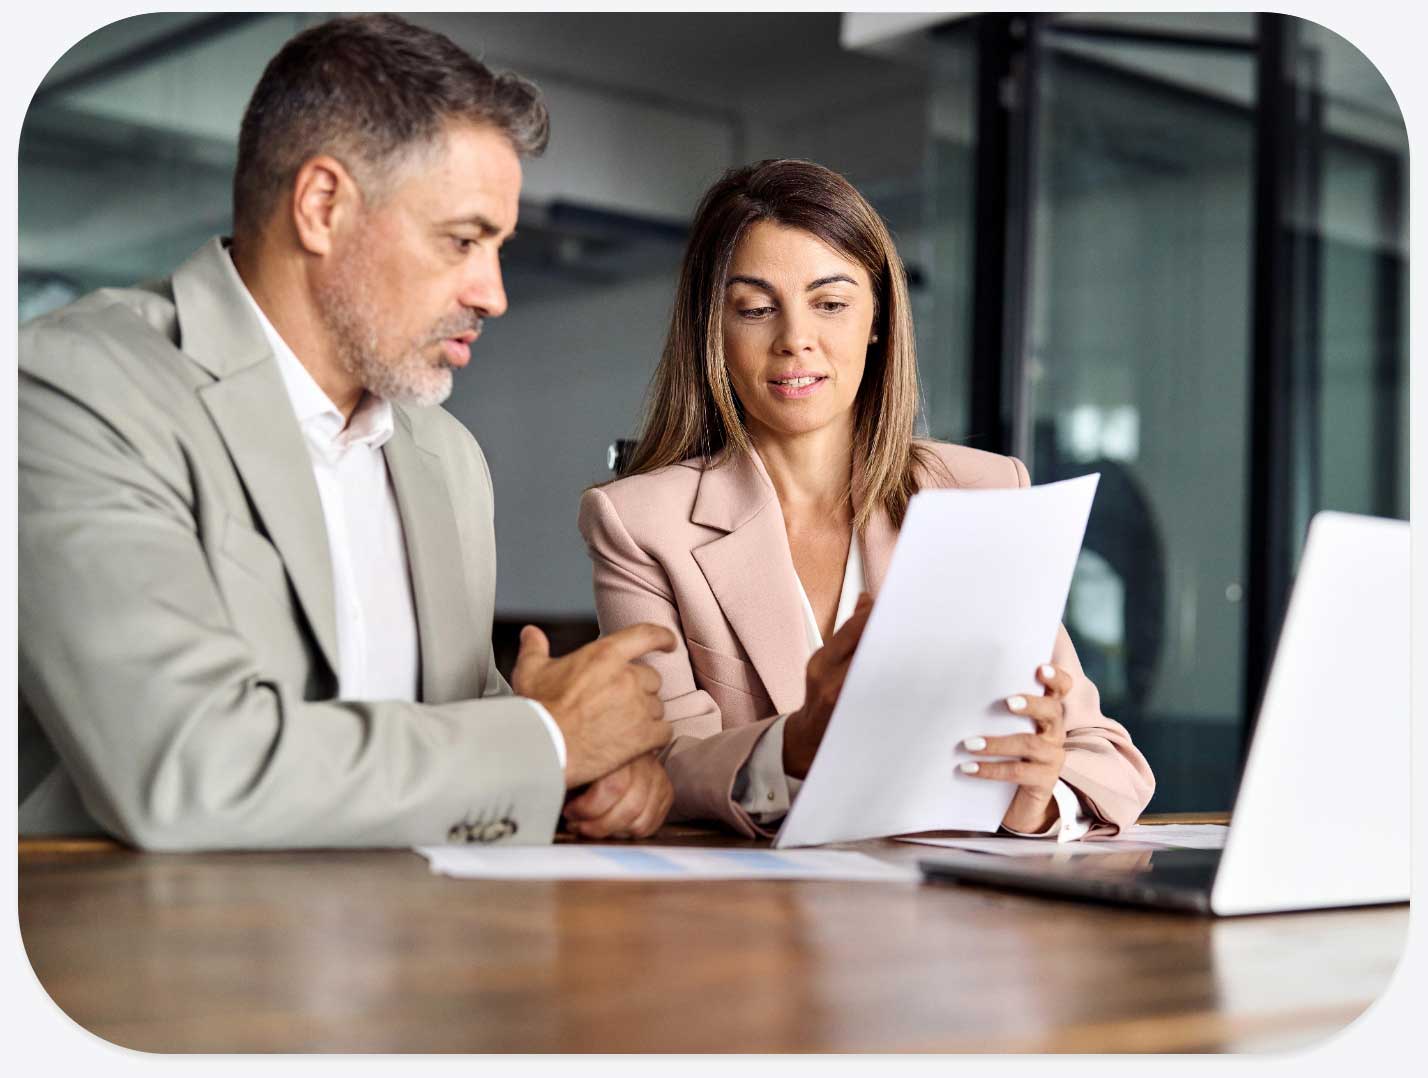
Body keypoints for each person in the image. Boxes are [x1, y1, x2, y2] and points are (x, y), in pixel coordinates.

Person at [18, 14, 677, 850]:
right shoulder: (72, 389)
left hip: (421, 952)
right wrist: (547, 742)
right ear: (323, 205)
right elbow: (188, 767)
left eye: (501, 247)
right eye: (465, 240)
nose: (493, 292)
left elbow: (460, 732)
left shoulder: (446, 457)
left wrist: (596, 770)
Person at [578, 159, 1155, 840]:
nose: (796, 339)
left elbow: (1110, 760)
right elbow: (659, 761)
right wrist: (789, 746)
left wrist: (1038, 795)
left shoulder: (980, 492)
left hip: (949, 916)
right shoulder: (641, 523)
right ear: (714, 331)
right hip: (750, 923)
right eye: (757, 309)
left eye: (830, 303)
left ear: (877, 319)